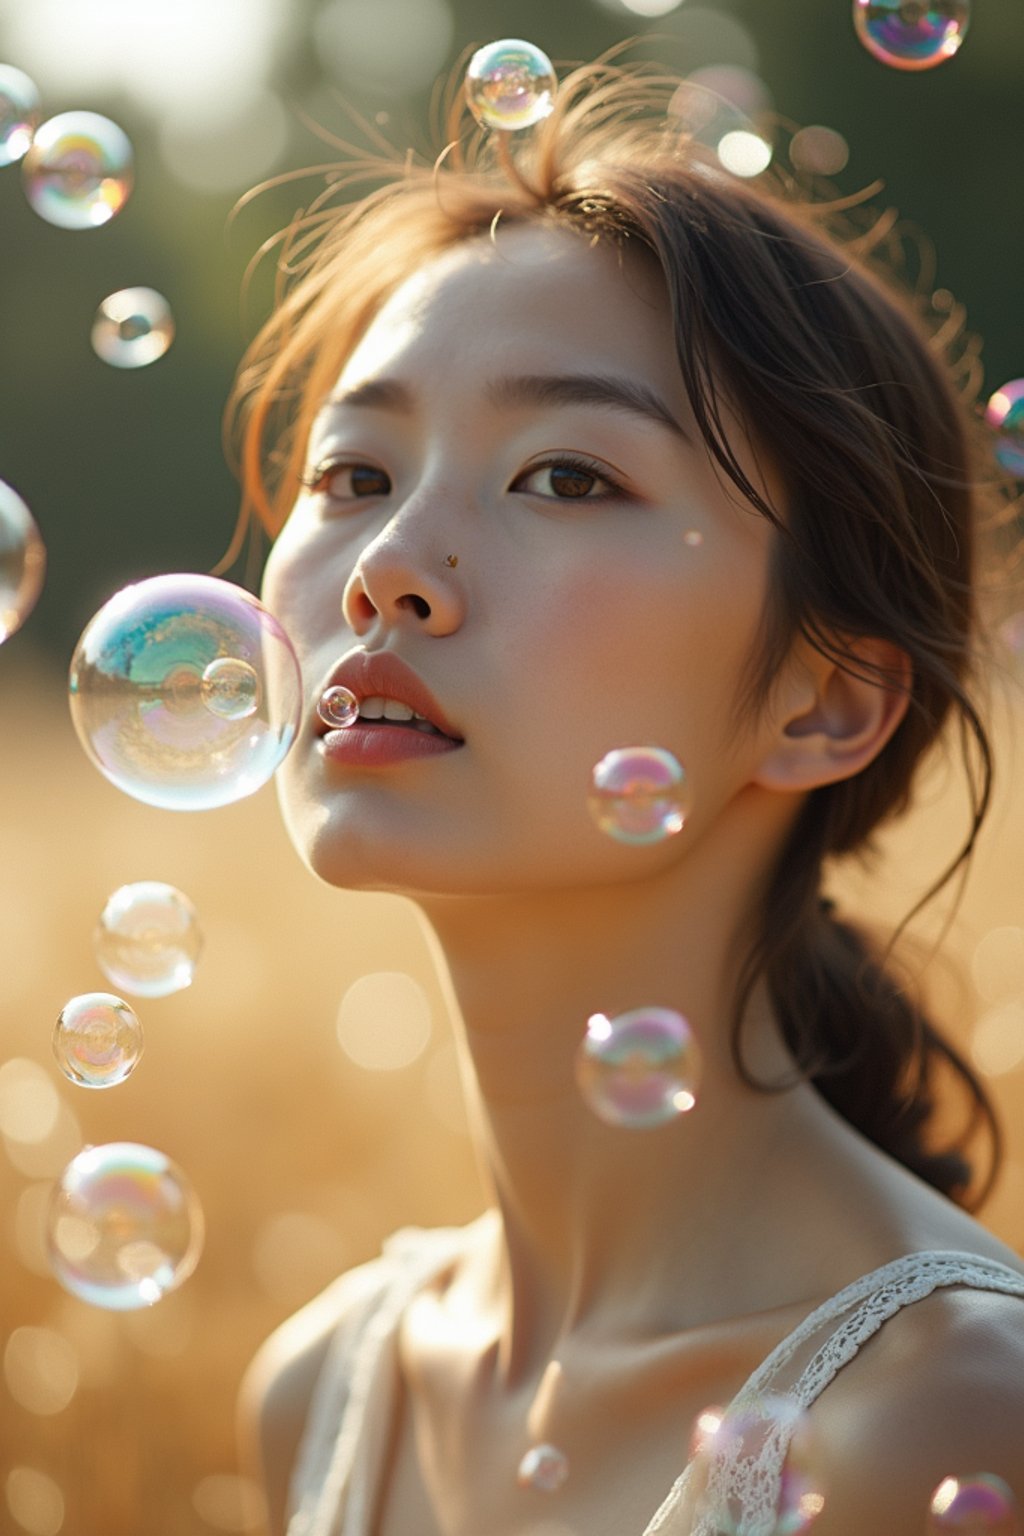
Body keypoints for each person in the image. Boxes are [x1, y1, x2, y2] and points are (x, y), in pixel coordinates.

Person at [227, 49, 1024, 1536]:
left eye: (566, 476)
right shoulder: (328, 1385)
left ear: (825, 699)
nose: (391, 566)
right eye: (352, 473)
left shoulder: (947, 1418)